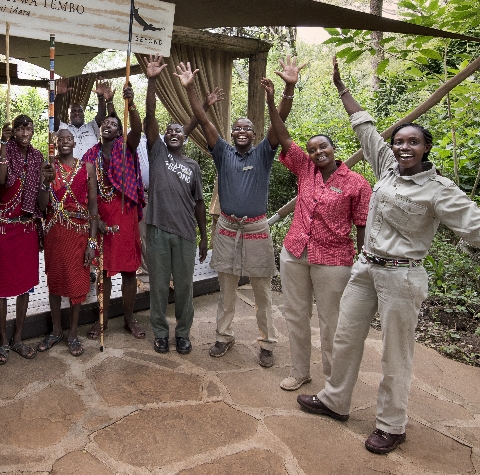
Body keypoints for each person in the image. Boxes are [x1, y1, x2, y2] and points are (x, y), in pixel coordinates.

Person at [296, 56, 480, 455]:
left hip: (401, 277)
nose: (404, 147)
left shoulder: (439, 190)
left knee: (395, 354)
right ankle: (336, 399)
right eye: (400, 141)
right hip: (366, 268)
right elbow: (365, 128)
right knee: (345, 336)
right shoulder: (387, 168)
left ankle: (392, 424)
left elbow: (478, 226)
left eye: (413, 142)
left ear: (426, 148)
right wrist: (341, 88)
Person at [177, 56, 304, 367]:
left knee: (262, 290)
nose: (242, 131)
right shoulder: (222, 153)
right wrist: (191, 91)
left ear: (254, 132)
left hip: (257, 229)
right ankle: (223, 336)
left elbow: (279, 124)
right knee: (227, 290)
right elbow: (203, 121)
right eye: (237, 128)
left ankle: (267, 343)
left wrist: (285, 92)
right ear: (232, 134)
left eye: (247, 127)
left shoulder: (263, 152)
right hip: (227, 229)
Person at [261, 77, 372, 392]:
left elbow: (362, 223)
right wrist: (275, 99)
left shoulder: (356, 183)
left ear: (334, 148)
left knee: (331, 321)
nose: (316, 152)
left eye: (322, 146)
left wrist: (362, 261)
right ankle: (299, 372)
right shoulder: (304, 170)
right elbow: (282, 135)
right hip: (295, 252)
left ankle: (334, 381)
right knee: (295, 315)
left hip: (334, 259)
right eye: (311, 149)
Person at [141, 55, 208, 355]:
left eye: (179, 131)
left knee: (184, 288)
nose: (174, 133)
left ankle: (182, 333)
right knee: (157, 286)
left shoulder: (193, 166)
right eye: (169, 131)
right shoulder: (157, 153)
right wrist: (152, 80)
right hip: (157, 230)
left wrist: (204, 236)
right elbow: (151, 115)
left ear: (186, 137)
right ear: (164, 138)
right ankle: (159, 332)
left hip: (185, 235)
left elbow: (199, 204)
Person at [84, 84, 147, 340]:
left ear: (119, 131)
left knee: (129, 270)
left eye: (113, 123)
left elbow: (138, 128)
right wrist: (94, 218)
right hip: (102, 214)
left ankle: (129, 318)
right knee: (104, 271)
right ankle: (103, 319)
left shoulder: (126, 146)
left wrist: (130, 104)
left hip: (125, 213)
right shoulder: (92, 154)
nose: (107, 125)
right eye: (104, 123)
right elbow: (88, 190)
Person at [36, 128, 99, 357]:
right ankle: (55, 330)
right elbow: (42, 206)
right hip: (55, 233)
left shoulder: (87, 168)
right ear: (55, 142)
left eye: (68, 139)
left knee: (78, 283)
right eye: (60, 139)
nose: (64, 142)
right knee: (55, 282)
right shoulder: (48, 168)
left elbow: (93, 207)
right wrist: (45, 182)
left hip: (80, 233)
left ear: (74, 142)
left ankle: (72, 333)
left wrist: (92, 242)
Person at [0, 114, 46, 364]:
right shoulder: (3, 149)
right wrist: (3, 143)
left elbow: (41, 200)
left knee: (25, 286)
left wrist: (47, 182)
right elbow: (0, 180)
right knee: (2, 288)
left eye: (28, 128)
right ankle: (2, 340)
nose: (24, 133)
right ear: (15, 131)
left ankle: (18, 338)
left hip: (27, 229)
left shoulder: (37, 157)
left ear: (33, 131)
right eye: (20, 128)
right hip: (5, 228)